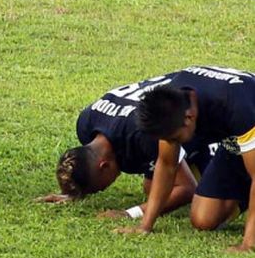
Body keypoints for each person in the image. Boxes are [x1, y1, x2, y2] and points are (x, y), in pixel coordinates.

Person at [39, 80, 213, 220]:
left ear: (104, 165)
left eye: (98, 189)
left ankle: (213, 156)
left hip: (202, 106)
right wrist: (72, 193)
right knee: (154, 186)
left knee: (160, 191)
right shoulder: (86, 123)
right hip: (175, 91)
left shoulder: (145, 133)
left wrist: (130, 213)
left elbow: (186, 188)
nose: (103, 189)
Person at [133, 65, 255, 252]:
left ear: (189, 118)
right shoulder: (172, 105)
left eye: (173, 139)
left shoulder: (236, 104)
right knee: (204, 219)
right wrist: (145, 226)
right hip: (237, 146)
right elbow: (166, 164)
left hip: (247, 129)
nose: (170, 144)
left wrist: (248, 244)